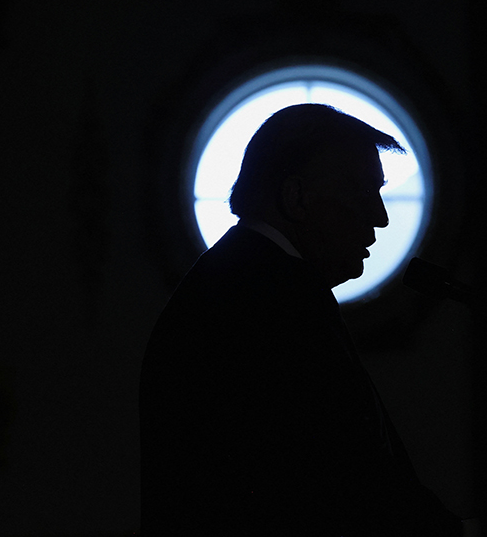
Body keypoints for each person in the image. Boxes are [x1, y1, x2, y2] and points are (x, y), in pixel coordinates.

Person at [139, 104, 463, 536]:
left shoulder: (241, 282)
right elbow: (341, 475)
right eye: (361, 192)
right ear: (295, 198)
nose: (381, 217)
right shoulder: (268, 300)